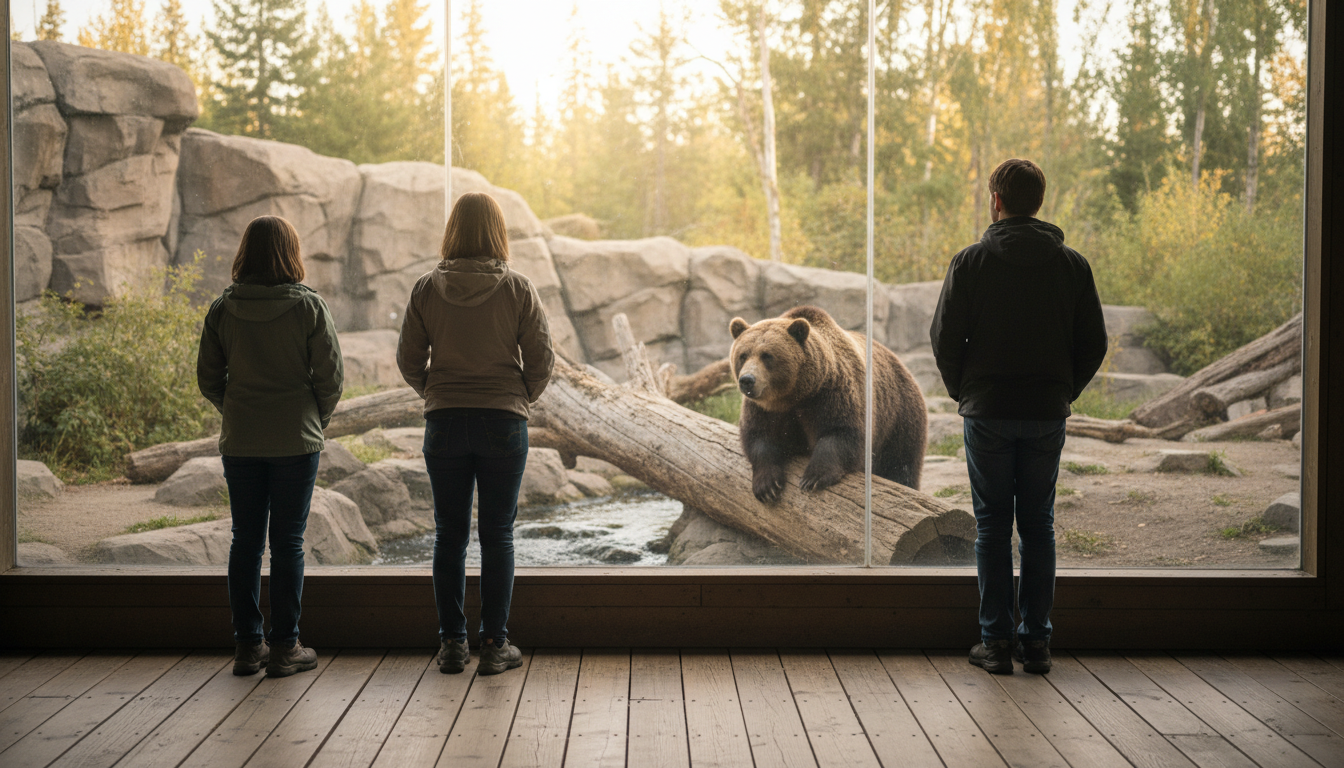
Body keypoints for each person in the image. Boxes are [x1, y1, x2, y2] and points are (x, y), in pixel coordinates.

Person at [930, 159, 1108, 675]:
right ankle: (1037, 644)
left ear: (996, 200)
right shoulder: (1072, 265)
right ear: (1040, 201)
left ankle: (995, 644)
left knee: (991, 528)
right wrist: (1062, 392)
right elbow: (1093, 343)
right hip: (1044, 413)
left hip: (986, 412)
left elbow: (944, 340)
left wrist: (966, 392)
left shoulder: (970, 263)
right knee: (1038, 526)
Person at [397, 192, 555, 676]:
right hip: (503, 422)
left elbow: (407, 361)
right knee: (497, 535)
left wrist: (437, 392)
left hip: (444, 422)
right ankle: (494, 645)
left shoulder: (425, 288)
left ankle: (450, 645)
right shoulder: (519, 288)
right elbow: (543, 362)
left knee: (449, 534)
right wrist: (517, 398)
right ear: (497, 232)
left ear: (452, 231)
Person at [198, 215, 344, 678]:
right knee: (287, 544)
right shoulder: (309, 308)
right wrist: (311, 419)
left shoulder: (223, 308)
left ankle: (246, 647)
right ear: (290, 253)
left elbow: (207, 378)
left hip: (240, 441)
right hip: (295, 442)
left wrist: (238, 410)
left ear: (245, 253)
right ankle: (284, 649)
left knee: (245, 541)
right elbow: (332, 379)